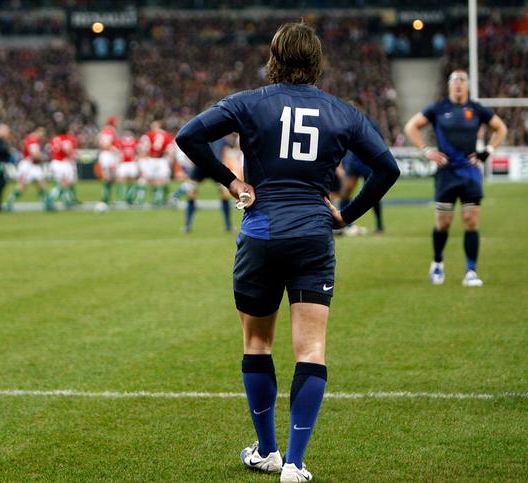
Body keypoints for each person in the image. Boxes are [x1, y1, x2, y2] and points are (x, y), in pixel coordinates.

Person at [176, 22, 400, 483]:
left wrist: (233, 181)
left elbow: (189, 137)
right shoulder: (344, 111)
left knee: (257, 343)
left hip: (261, 232)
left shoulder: (248, 101)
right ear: (318, 60)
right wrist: (347, 215)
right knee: (312, 349)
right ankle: (296, 464)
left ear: (273, 57)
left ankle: (267, 450)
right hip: (314, 237)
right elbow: (387, 168)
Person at [404, 69, 507, 287]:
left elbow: (501, 129)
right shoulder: (438, 108)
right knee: (443, 223)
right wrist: (426, 150)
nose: (458, 84)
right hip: (447, 173)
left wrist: (488, 149)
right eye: (455, 80)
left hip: (470, 173)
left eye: (462, 80)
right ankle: (438, 262)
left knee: (471, 221)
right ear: (449, 85)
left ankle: (471, 270)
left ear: (467, 85)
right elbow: (411, 127)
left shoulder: (476, 109)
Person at [338, 100, 386, 235]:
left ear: (361, 107)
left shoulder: (371, 123)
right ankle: (344, 224)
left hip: (368, 164)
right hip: (352, 162)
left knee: (373, 194)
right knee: (345, 192)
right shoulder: (345, 123)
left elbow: (380, 143)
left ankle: (379, 225)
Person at [6, 127, 49, 212]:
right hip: (28, 165)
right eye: (42, 134)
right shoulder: (33, 141)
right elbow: (35, 155)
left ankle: (47, 203)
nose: (43, 137)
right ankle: (10, 202)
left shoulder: (31, 139)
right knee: (22, 186)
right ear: (38, 132)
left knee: (41, 184)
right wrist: (44, 156)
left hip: (31, 165)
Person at [136, 121, 173, 206]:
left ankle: (140, 199)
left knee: (145, 179)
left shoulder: (148, 134)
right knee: (161, 180)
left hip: (150, 159)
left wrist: (141, 159)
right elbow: (169, 150)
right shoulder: (167, 135)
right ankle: (159, 200)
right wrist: (169, 161)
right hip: (161, 159)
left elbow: (143, 148)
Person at [47, 125, 78, 208]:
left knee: (63, 183)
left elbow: (50, 150)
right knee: (65, 183)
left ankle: (67, 201)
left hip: (54, 162)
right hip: (62, 163)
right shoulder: (65, 139)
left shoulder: (54, 139)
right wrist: (75, 156)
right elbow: (68, 151)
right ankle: (50, 199)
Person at [96, 116, 121, 204]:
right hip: (107, 154)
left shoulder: (104, 130)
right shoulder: (109, 130)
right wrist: (114, 149)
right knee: (107, 176)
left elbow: (98, 141)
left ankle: (107, 197)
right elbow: (105, 143)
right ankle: (105, 197)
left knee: (111, 177)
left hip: (107, 154)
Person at [115, 128, 139, 204]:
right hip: (123, 163)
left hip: (132, 163)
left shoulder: (135, 141)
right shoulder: (120, 141)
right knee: (121, 180)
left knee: (131, 180)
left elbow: (138, 151)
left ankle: (130, 197)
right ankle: (120, 198)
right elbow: (117, 151)